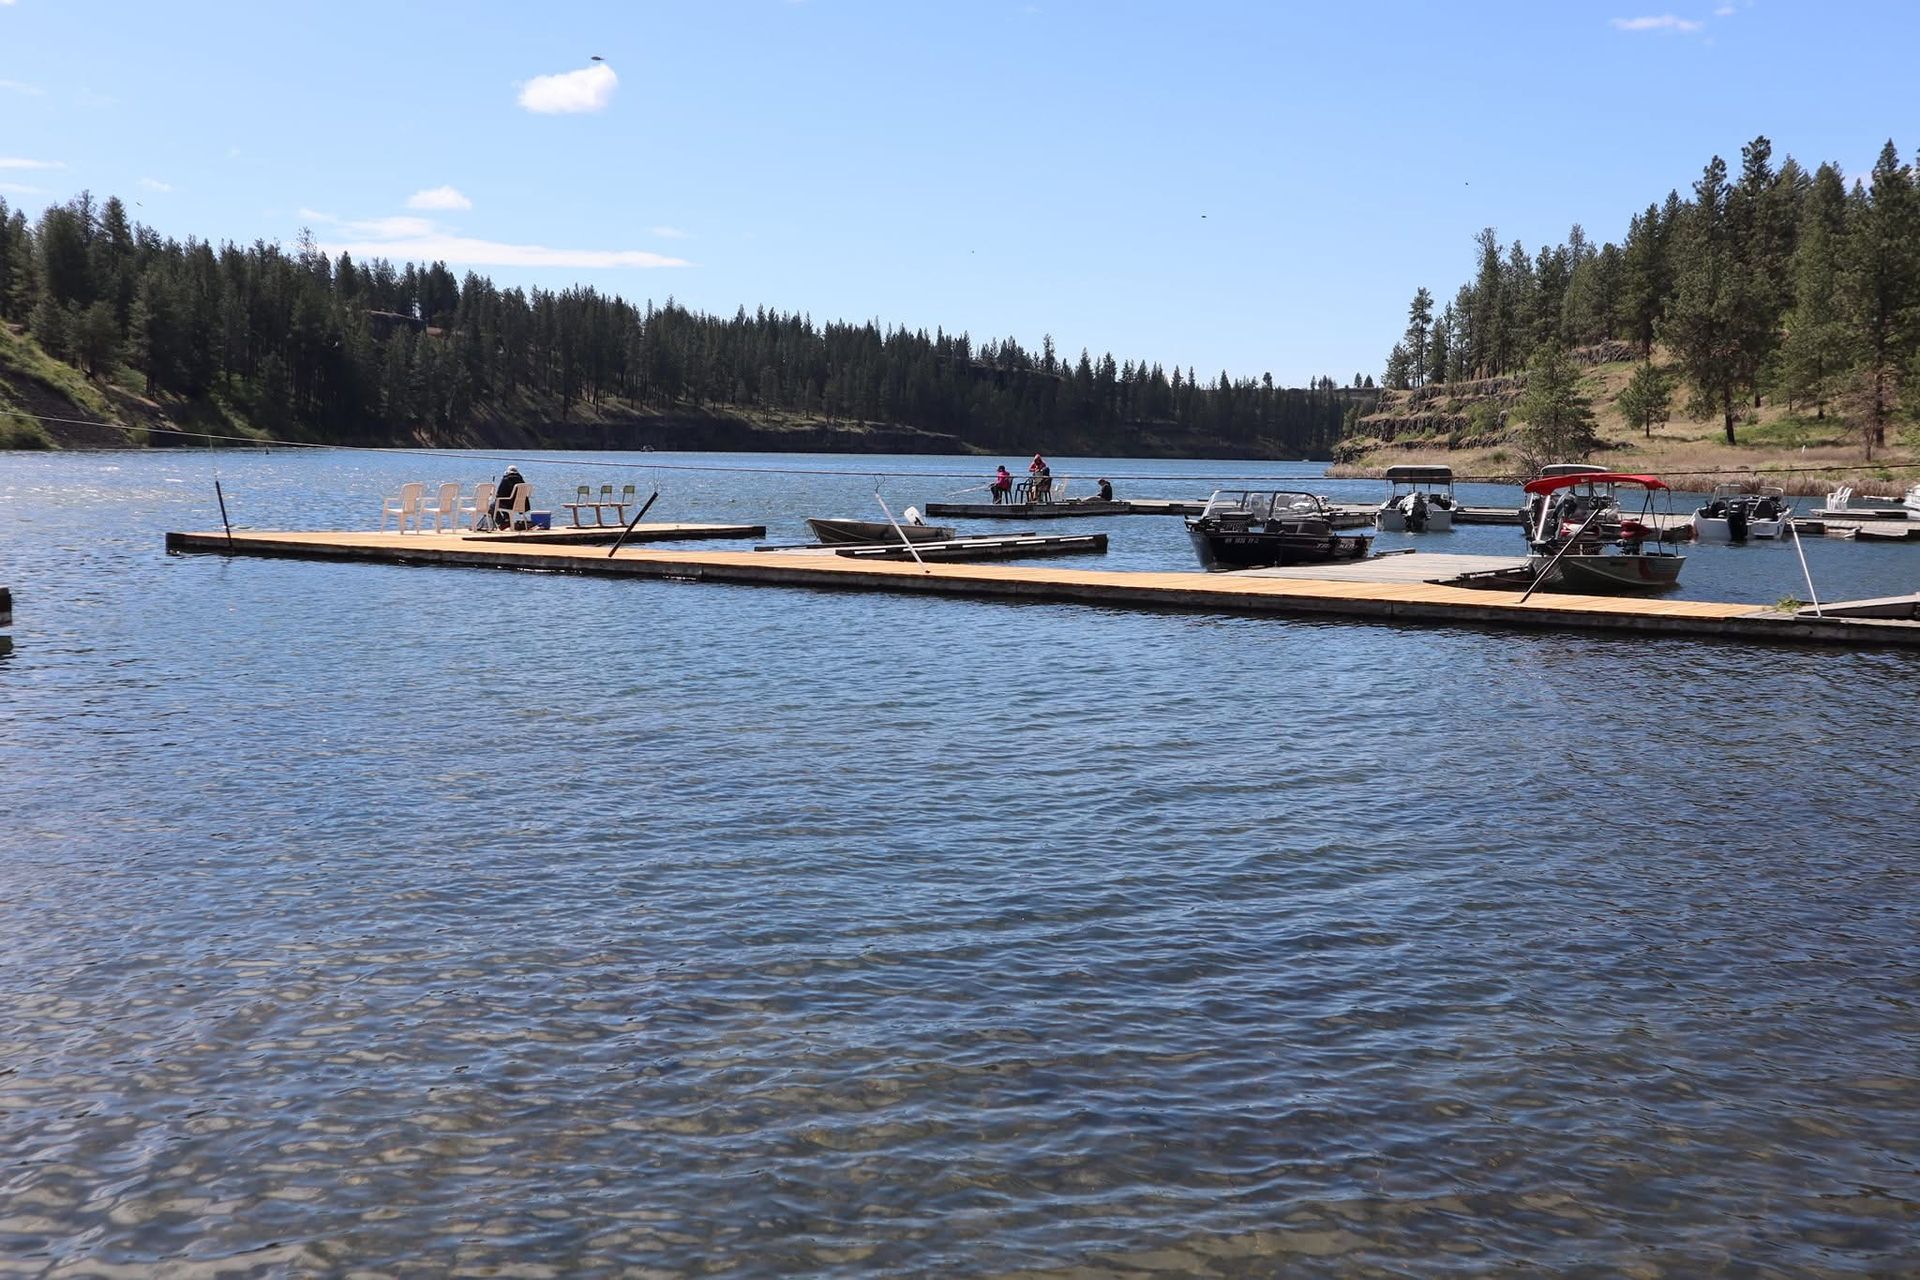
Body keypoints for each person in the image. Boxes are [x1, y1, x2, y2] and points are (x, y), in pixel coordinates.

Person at [492, 465, 527, 529]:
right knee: (502, 503)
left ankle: (502, 523)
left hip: (508, 505)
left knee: (492, 506)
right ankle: (507, 520)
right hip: (520, 505)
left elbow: (499, 494)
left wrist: (494, 496)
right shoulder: (522, 481)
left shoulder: (506, 479)